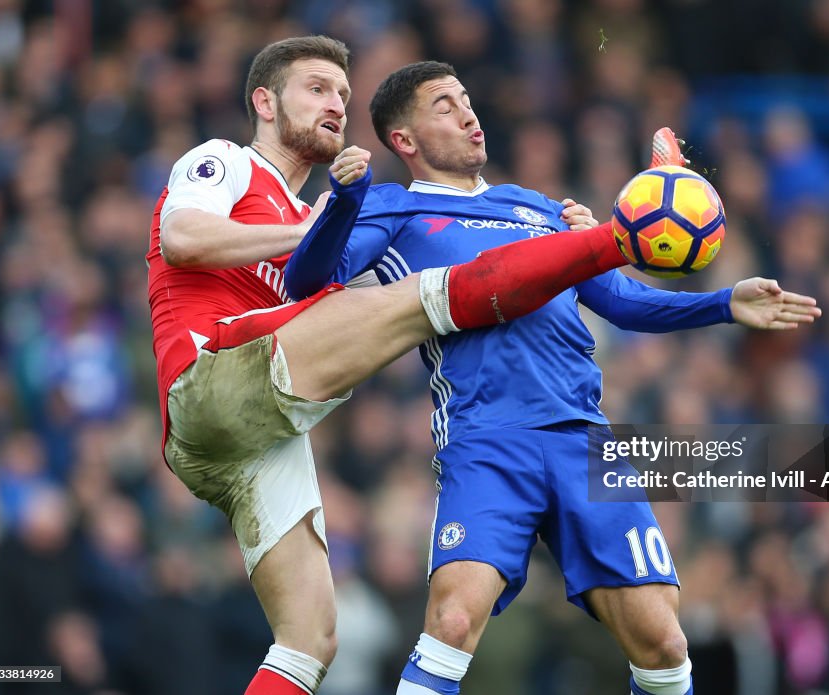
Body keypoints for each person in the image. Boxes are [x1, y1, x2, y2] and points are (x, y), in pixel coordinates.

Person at [147, 37, 710, 695]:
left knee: (310, 640)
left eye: (342, 95)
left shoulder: (328, 221)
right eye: (317, 88)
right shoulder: (227, 162)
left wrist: (559, 245)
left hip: (258, 432)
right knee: (432, 294)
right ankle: (615, 235)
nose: (335, 104)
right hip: (211, 373)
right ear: (264, 101)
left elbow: (348, 293)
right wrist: (595, 243)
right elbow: (180, 237)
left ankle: (600, 241)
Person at [284, 61, 821, 695]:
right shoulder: (390, 210)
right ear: (404, 140)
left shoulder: (536, 208)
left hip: (584, 440)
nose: (468, 114)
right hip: (487, 439)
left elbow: (620, 302)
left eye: (466, 99)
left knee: (665, 641)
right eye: (444, 107)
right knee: (453, 622)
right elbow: (304, 282)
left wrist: (725, 302)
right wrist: (344, 201)